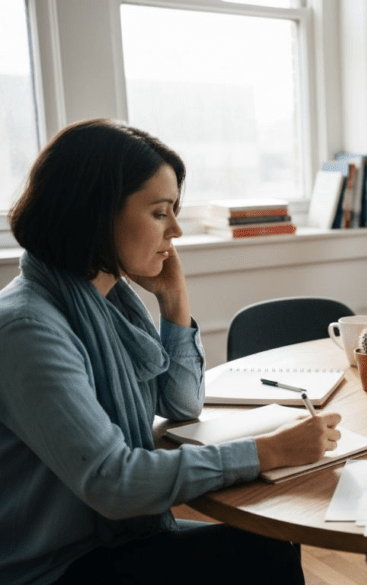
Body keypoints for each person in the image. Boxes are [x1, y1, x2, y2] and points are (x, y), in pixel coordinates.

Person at [0, 119, 343, 585]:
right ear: (97, 214)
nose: (176, 230)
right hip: (53, 566)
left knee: (266, 547)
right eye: (160, 213)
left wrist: (174, 302)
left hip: (104, 539)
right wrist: (270, 450)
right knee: (263, 556)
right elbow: (115, 481)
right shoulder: (28, 329)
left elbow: (181, 404)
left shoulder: (105, 303)